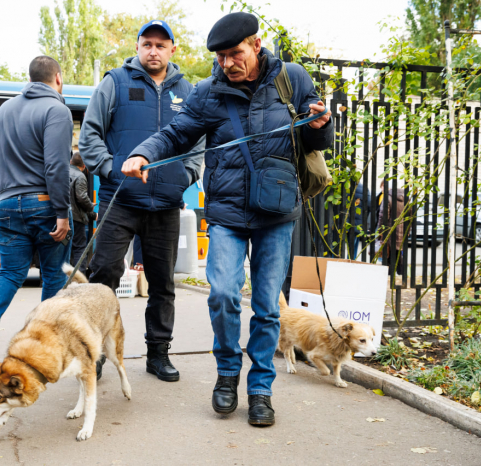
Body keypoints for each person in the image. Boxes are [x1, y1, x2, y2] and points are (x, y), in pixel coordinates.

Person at [121, 12, 333, 425]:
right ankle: (226, 374)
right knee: (221, 295)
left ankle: (260, 389)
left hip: (276, 213)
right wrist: (144, 152)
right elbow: (175, 133)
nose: (227, 63)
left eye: (234, 54)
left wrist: (322, 125)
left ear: (256, 45)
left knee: (269, 307)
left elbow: (316, 137)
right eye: (220, 57)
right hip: (228, 214)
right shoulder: (207, 93)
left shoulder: (291, 78)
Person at [79, 19, 204, 382]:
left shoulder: (189, 92)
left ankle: (158, 354)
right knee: (104, 277)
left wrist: (186, 175)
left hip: (166, 204)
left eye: (160, 45)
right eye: (147, 44)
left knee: (163, 283)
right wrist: (112, 171)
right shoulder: (115, 83)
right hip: (119, 201)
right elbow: (90, 135)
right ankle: (98, 351)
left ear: (172, 50)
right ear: (137, 47)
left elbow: (198, 143)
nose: (153, 50)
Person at [0, 56, 74, 378]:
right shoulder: (57, 110)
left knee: (9, 273)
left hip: (8, 205)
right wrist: (62, 214)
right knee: (53, 273)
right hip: (43, 203)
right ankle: (44, 345)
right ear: (58, 78)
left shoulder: (6, 110)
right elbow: (56, 166)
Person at [69, 151, 96, 270]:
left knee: (65, 249)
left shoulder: (61, 173)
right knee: (80, 248)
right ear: (84, 166)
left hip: (62, 217)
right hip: (76, 219)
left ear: (71, 162)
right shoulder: (80, 176)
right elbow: (82, 197)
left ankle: (65, 279)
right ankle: (79, 279)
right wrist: (91, 206)